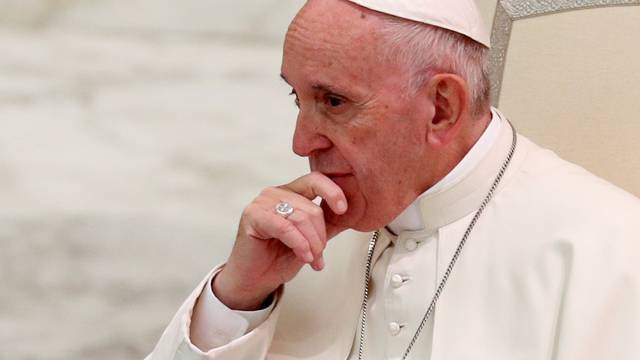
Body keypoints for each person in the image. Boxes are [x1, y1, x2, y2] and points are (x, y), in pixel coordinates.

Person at [147, 0, 640, 359]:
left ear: (442, 108)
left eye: (334, 103)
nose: (301, 144)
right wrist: (238, 299)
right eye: (297, 99)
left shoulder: (612, 253)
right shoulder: (298, 237)